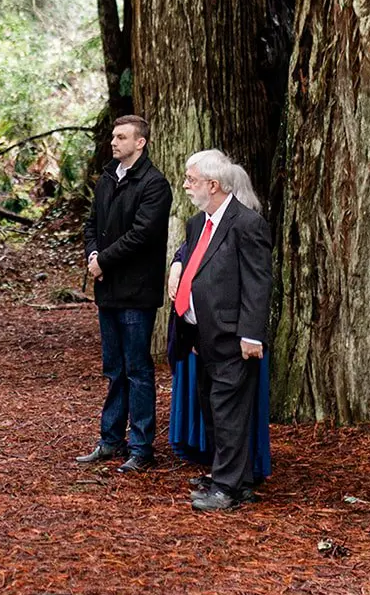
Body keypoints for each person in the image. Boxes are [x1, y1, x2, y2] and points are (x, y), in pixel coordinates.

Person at [171, 149, 274, 511]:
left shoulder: (246, 224)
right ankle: (232, 479)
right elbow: (194, 265)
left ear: (213, 185)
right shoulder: (198, 223)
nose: (186, 185)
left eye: (191, 180)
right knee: (213, 409)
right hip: (203, 337)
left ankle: (228, 490)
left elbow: (258, 283)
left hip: (233, 336)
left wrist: (250, 334)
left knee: (229, 411)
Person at [77, 115, 173, 474]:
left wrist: (103, 261)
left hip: (136, 291)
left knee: (137, 370)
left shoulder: (154, 184)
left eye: (121, 138)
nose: (113, 142)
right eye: (113, 137)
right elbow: (92, 223)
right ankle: (110, 440)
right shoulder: (107, 179)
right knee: (114, 369)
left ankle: (142, 446)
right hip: (108, 291)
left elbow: (142, 235)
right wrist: (91, 254)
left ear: (140, 142)